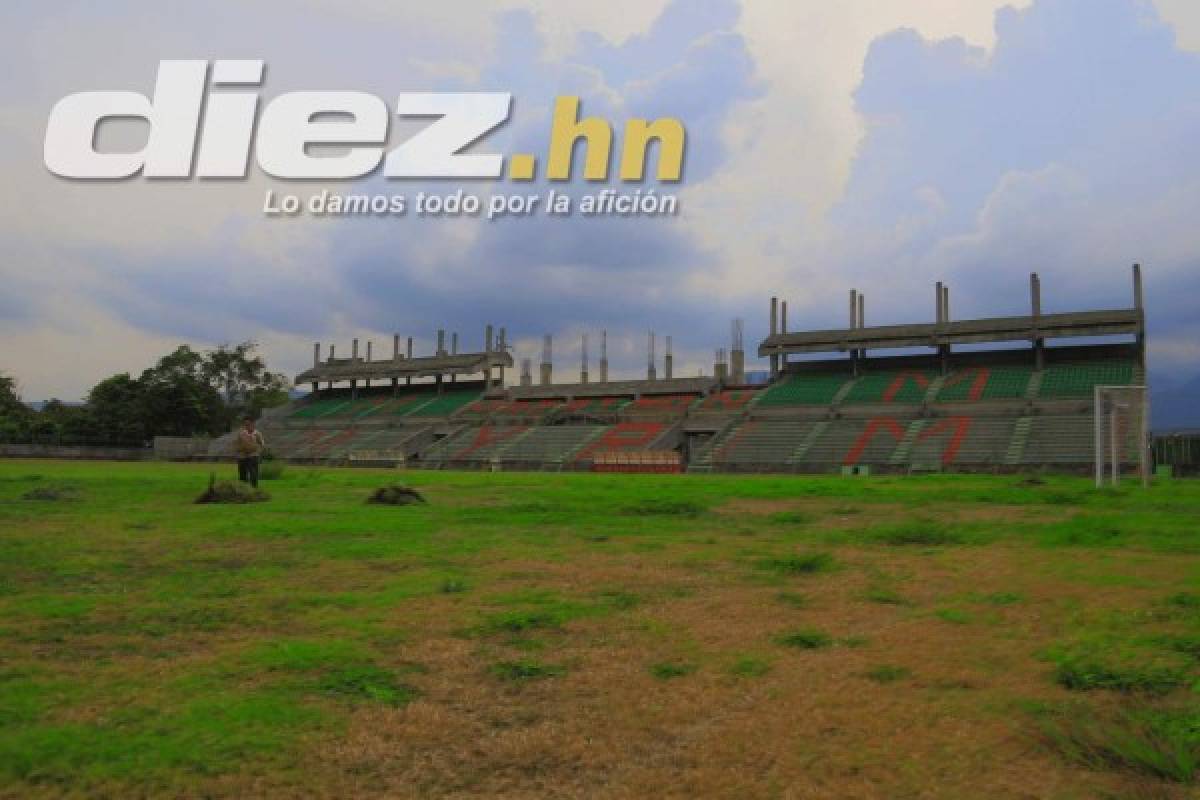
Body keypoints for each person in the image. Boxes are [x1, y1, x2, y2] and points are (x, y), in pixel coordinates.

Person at [234, 415, 266, 488]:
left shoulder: (257, 434)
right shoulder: (241, 433)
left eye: (248, 424)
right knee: (242, 475)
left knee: (253, 474)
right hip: (242, 457)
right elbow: (237, 444)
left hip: (253, 456)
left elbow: (262, 444)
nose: (247, 426)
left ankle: (254, 490)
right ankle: (243, 490)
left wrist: (258, 452)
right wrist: (238, 451)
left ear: (253, 424)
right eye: (245, 424)